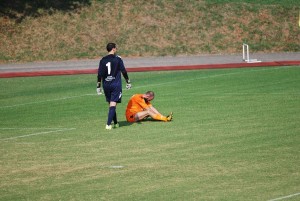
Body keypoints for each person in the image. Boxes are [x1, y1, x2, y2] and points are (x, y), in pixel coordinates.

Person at [97, 42, 132, 130]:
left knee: (111, 104)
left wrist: (98, 86)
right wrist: (128, 81)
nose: (116, 49)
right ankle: (108, 124)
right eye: (116, 48)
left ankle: (116, 123)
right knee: (113, 104)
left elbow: (99, 74)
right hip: (115, 85)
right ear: (113, 49)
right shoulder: (118, 59)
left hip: (106, 85)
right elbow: (123, 71)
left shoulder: (102, 60)